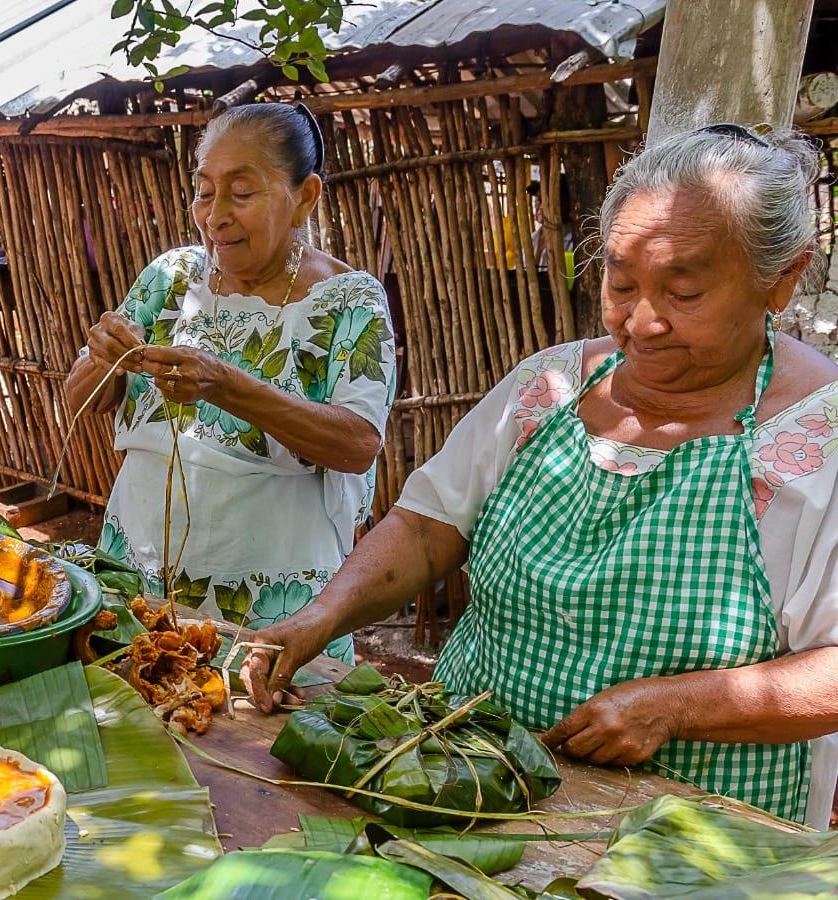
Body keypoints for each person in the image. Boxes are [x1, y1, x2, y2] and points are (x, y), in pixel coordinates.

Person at [241, 125, 838, 828]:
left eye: (684, 292)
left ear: (783, 279)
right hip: (467, 791)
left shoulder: (817, 440)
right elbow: (428, 529)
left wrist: (670, 708)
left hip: (692, 840)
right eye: (621, 283)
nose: (642, 322)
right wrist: (322, 615)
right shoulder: (547, 388)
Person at [63, 103, 397, 658]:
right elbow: (78, 401)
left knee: (250, 738)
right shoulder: (171, 280)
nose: (215, 216)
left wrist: (226, 385)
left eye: (242, 194)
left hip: (270, 607)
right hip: (139, 577)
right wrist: (101, 360)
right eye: (204, 191)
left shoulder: (348, 300)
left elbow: (358, 443)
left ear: (305, 198)